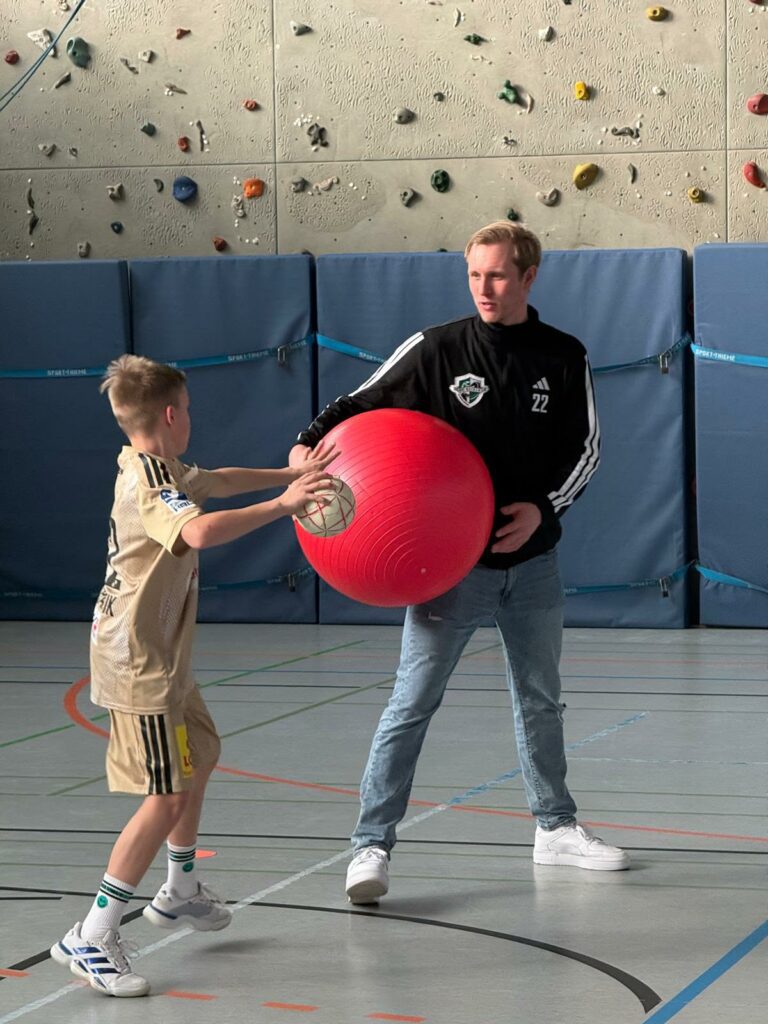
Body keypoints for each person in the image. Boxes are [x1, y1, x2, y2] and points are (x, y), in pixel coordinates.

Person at [289, 221, 629, 905]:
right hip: (450, 570)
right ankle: (370, 846)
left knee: (540, 699)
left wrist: (543, 510)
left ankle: (555, 827)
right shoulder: (437, 348)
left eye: (497, 275)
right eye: (474, 275)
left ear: (528, 276)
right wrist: (306, 448)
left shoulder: (564, 355)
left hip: (533, 566)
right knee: (412, 701)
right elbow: (354, 405)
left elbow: (586, 448)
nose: (484, 288)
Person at [51, 354, 335, 996]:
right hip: (138, 663)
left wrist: (289, 474)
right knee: (167, 796)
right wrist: (285, 504)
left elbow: (219, 481)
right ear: (172, 414)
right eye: (189, 410)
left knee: (201, 752)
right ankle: (92, 934)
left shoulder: (158, 465)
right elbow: (200, 531)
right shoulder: (152, 484)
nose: (191, 418)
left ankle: (179, 888)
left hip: (162, 655)